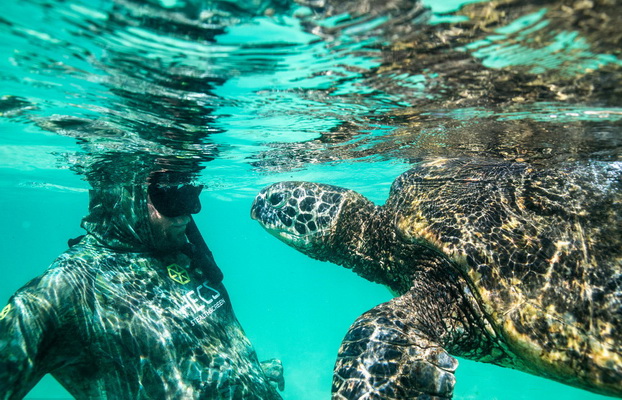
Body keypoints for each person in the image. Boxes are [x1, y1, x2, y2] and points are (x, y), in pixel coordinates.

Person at [0, 171, 284, 399]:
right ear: (122, 192)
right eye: (169, 196)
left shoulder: (181, 249)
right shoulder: (67, 288)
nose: (187, 213)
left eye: (190, 191)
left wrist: (252, 375)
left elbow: (196, 352)